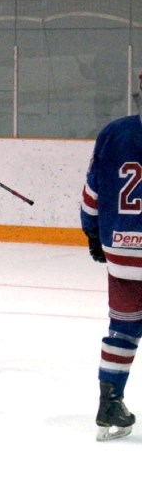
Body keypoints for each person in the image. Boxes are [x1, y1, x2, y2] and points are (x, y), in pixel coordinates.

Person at [81, 76, 142, 441]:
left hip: (122, 252)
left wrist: (92, 232)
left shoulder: (114, 132)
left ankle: (109, 402)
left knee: (122, 329)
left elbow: (93, 192)